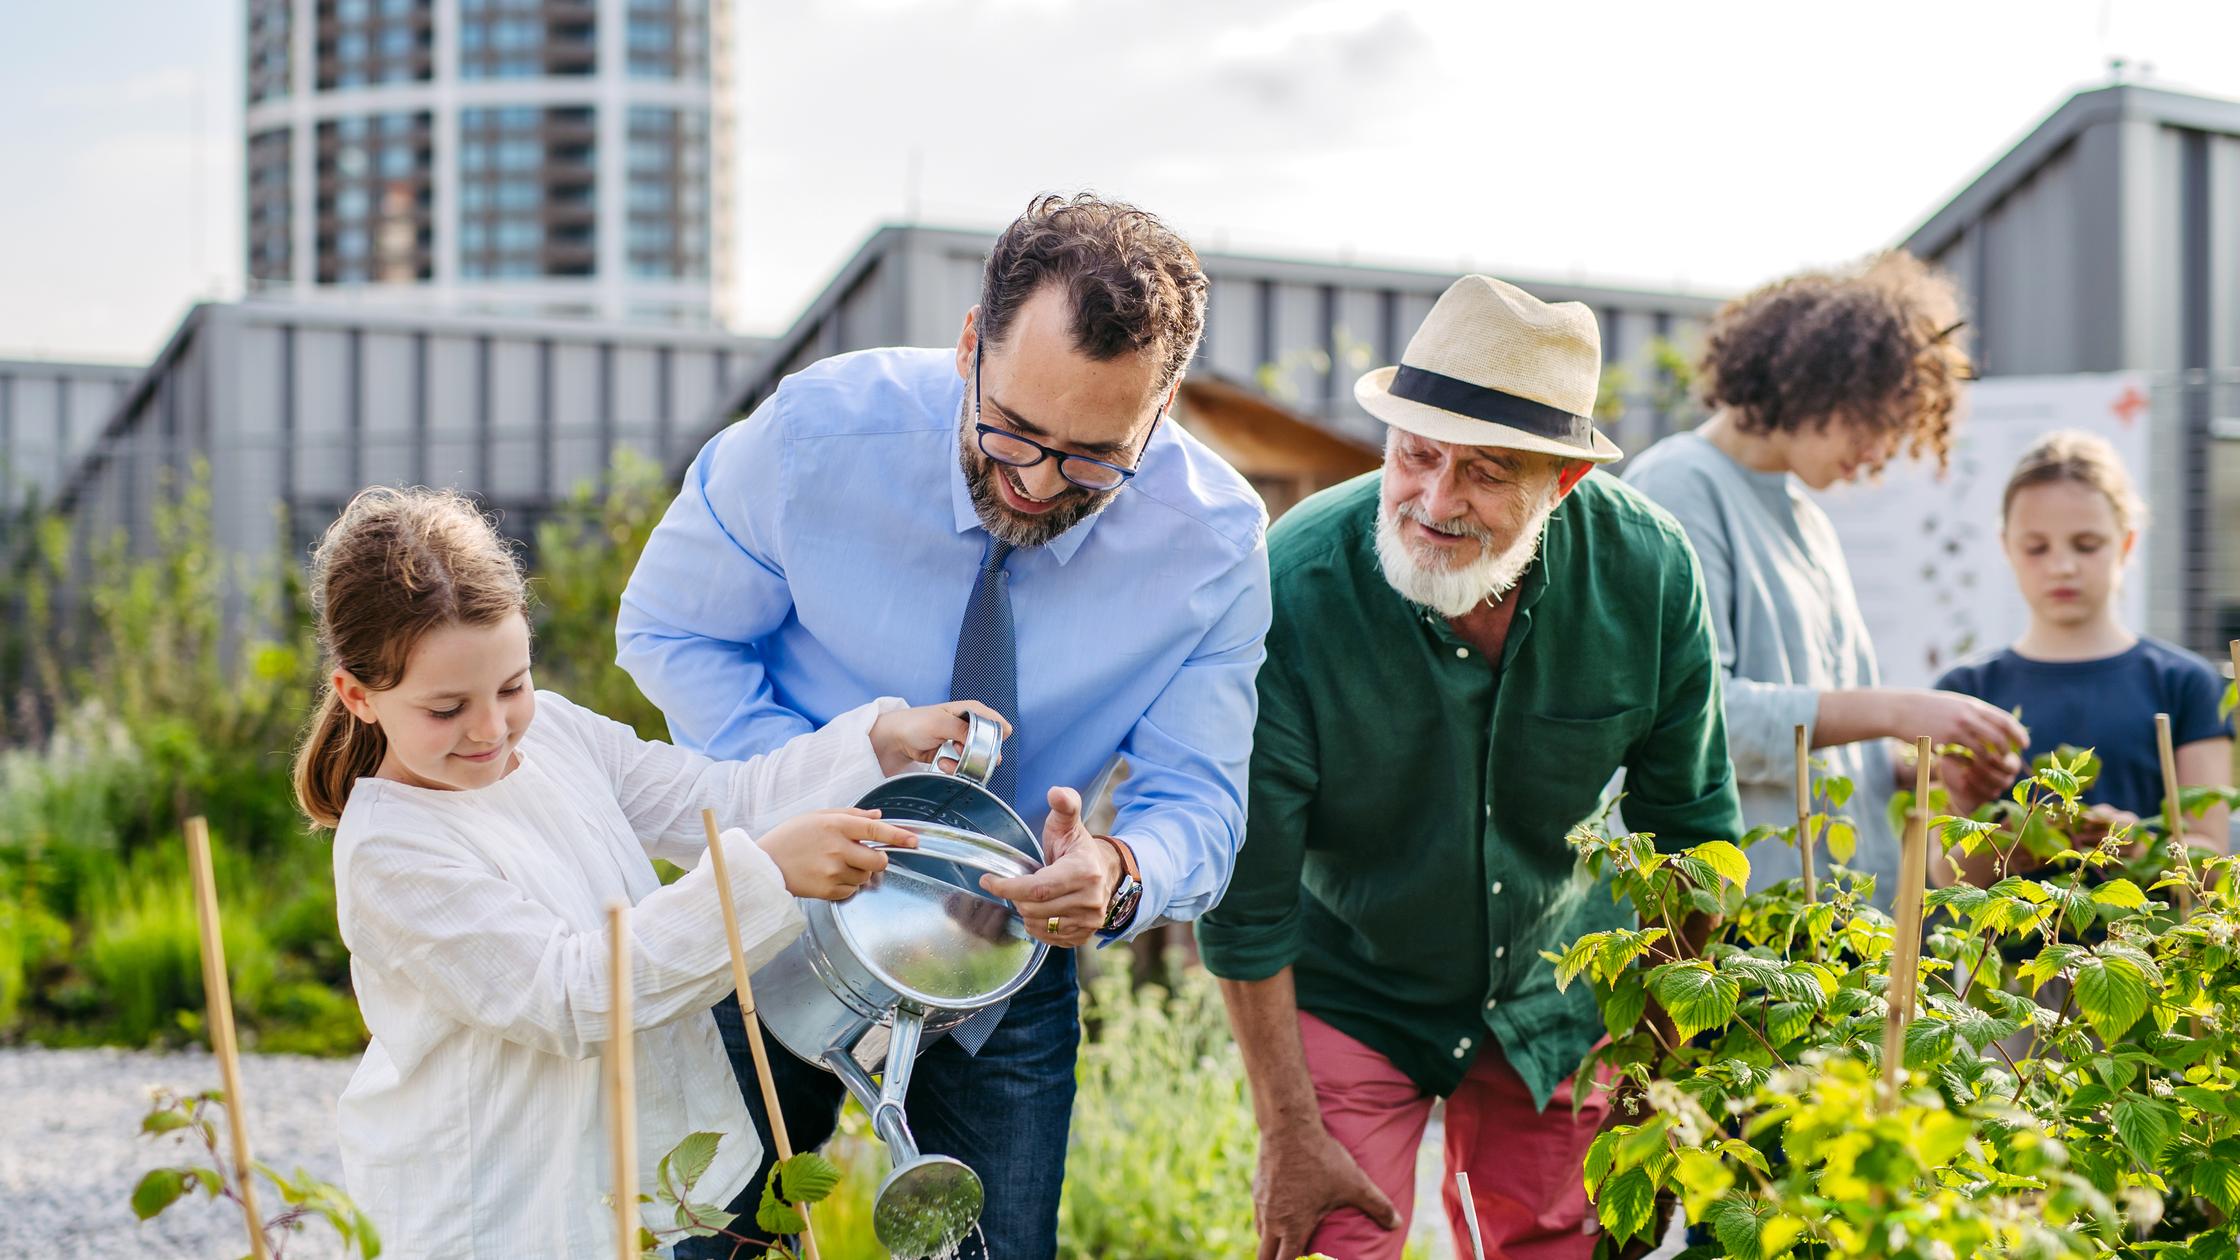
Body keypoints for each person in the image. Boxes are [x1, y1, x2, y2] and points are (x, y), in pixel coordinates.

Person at [616, 193, 1271, 1259]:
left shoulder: (1213, 544)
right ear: (969, 345)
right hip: (770, 898)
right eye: (1010, 430)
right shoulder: (814, 435)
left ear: (1160, 411)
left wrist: (1116, 868)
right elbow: (670, 631)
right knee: (715, 1241)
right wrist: (820, 796)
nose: (1035, 482)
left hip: (1003, 947)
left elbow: (1197, 794)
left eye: (1094, 459)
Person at [1197, 275, 1744, 1260]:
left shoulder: (1647, 571)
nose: (1434, 501)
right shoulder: (1296, 581)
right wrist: (1286, 1131)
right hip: (1350, 983)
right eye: (1416, 455)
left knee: (1554, 1245)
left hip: (1553, 988)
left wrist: (1655, 1068)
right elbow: (1247, 896)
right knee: (1334, 1241)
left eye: (1486, 473)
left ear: (1560, 483)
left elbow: (1692, 833)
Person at [299, 486, 994, 1259]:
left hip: (644, 1177)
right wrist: (764, 875)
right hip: (502, 1207)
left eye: (511, 686)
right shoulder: (391, 852)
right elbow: (569, 996)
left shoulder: (555, 731)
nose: (491, 729)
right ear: (358, 696)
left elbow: (715, 801)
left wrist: (874, 743)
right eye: (446, 708)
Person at [1622, 253, 2026, 901]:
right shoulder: (1677, 488)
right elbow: (1695, 718)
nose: (1879, 455)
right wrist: (1900, 710)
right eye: (1880, 422)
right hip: (1737, 932)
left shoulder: (1806, 518)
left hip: (1824, 925)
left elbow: (1822, 737)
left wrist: (1915, 770)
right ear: (1820, 380)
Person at [1937, 430, 2232, 864]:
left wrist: (2141, 847)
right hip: (2002, 934)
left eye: (2087, 545)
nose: (2061, 567)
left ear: (2126, 544)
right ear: (2006, 548)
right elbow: (1945, 874)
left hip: (2149, 932)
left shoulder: (2185, 684)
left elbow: (2217, 861)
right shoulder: (1966, 691)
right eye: (2036, 548)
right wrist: (2010, 845)